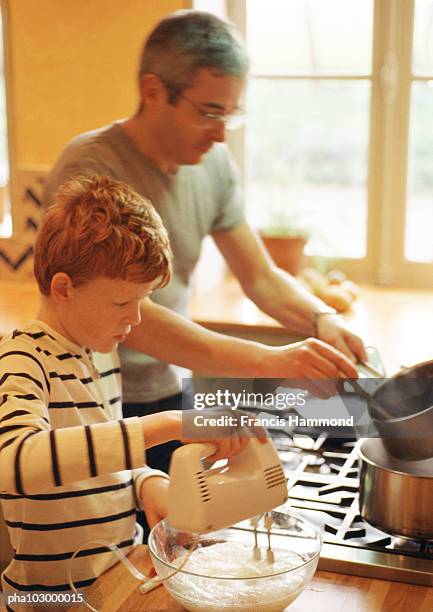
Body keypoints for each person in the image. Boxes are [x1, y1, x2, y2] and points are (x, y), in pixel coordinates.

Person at [43, 10, 366, 478]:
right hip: (91, 403)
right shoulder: (91, 169)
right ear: (153, 92)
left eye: (229, 115)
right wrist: (270, 359)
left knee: (177, 531)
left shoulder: (210, 166)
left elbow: (260, 275)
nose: (220, 134)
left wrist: (322, 318)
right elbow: (132, 318)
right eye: (209, 112)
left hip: (168, 387)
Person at [0, 175, 252, 603]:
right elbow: (15, 463)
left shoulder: (98, 353)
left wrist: (144, 482)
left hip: (116, 577)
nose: (135, 319)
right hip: (50, 598)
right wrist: (169, 424)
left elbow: (96, 454)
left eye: (143, 301)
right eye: (121, 303)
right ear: (63, 288)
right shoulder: (22, 360)